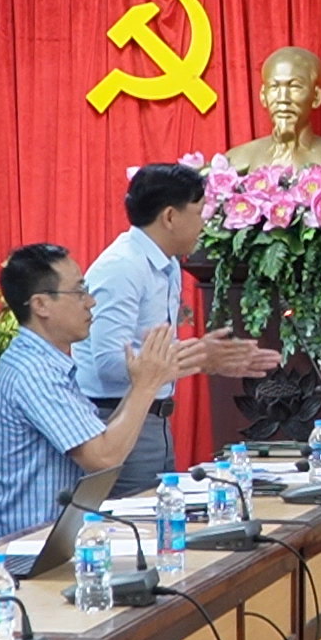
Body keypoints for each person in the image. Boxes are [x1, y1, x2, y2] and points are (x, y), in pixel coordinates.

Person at [73, 164, 279, 496]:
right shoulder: (122, 267)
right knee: (135, 522)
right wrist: (195, 358)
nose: (204, 224)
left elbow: (154, 355)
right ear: (170, 216)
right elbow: (109, 364)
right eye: (198, 213)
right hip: (116, 420)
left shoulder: (166, 263)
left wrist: (199, 358)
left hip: (154, 419)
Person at [0, 244, 192, 541]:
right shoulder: (34, 372)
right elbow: (103, 459)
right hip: (24, 549)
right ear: (41, 305)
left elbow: (102, 442)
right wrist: (146, 385)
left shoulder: (45, 362)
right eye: (79, 291)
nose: (91, 302)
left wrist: (144, 380)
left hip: (60, 538)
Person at [223, 46, 321, 171]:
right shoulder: (235, 161)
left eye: (295, 87)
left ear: (316, 97)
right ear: (263, 96)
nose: (283, 98)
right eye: (274, 87)